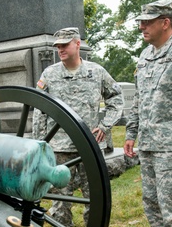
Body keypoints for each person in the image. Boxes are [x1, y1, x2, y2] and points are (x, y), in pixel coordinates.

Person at [32, 27, 123, 226]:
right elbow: (39, 110)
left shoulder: (96, 72)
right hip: (60, 149)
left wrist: (105, 125)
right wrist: (39, 144)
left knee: (95, 198)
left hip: (89, 147)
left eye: (65, 45)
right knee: (60, 202)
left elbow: (116, 97)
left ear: (77, 44)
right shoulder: (50, 73)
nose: (60, 50)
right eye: (57, 46)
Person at [124, 0, 172, 227]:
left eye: (147, 22)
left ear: (165, 23)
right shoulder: (144, 56)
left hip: (169, 147)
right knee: (152, 206)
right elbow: (138, 99)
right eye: (141, 22)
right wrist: (131, 133)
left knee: (170, 207)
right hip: (148, 145)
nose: (141, 27)